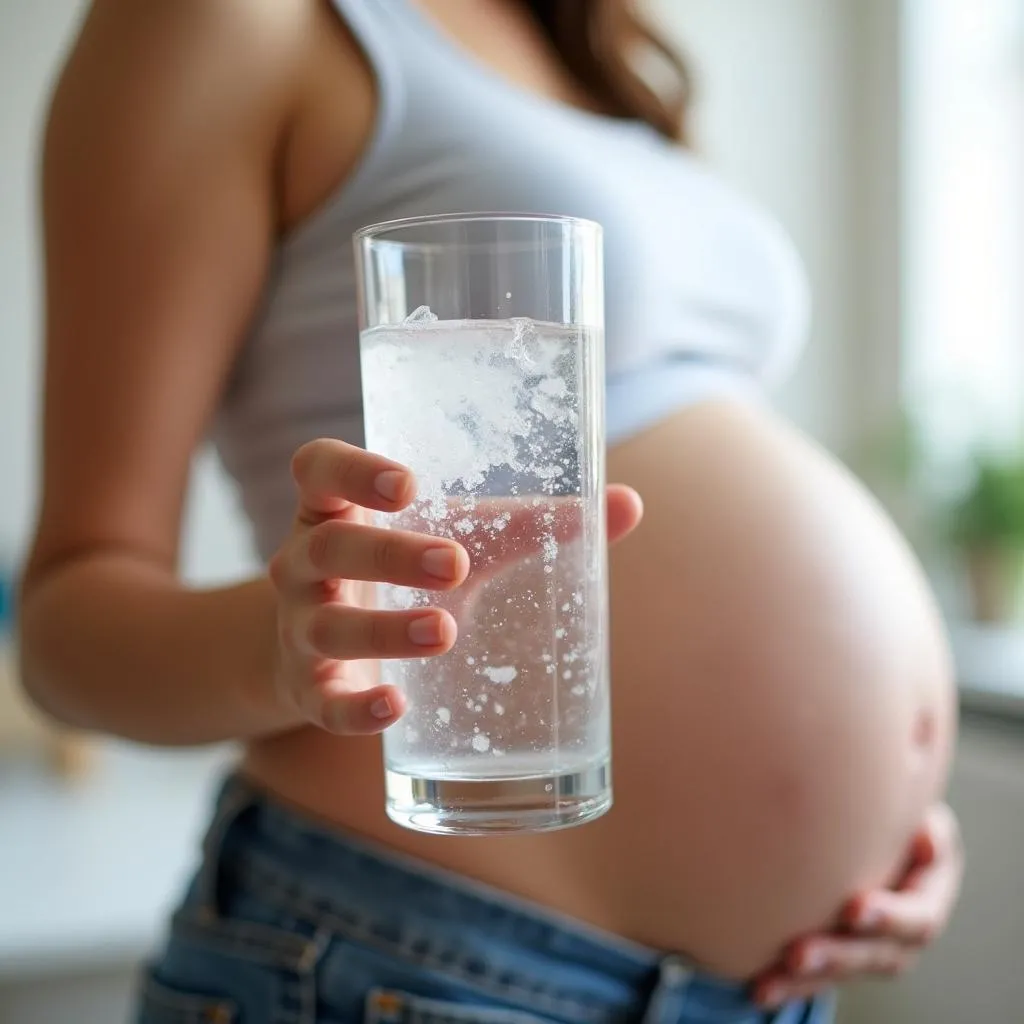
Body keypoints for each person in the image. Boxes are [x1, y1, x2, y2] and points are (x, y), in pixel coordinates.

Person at [19, 1, 964, 1021]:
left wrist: (888, 827)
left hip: (765, 990)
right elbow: (66, 626)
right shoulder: (224, 19)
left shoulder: (589, 52)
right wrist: (282, 644)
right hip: (414, 955)